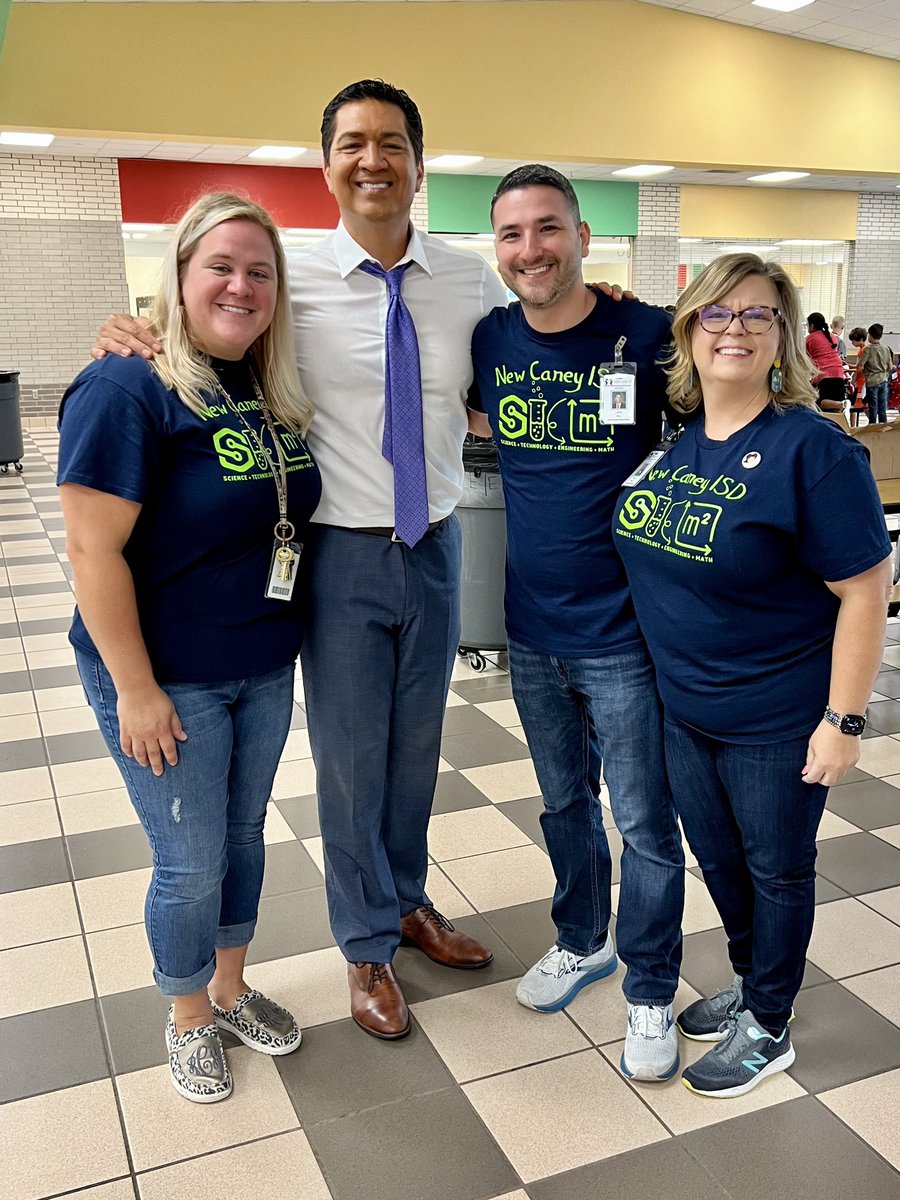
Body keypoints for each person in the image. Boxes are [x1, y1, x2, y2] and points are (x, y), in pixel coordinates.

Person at [92, 80, 506, 1041]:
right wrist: (127, 333)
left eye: (393, 142)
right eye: (353, 142)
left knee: (415, 753)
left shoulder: (468, 277)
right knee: (353, 763)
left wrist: (599, 299)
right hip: (337, 556)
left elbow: (529, 344)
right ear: (326, 163)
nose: (374, 160)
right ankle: (365, 947)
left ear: (417, 159)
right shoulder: (289, 277)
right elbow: (203, 328)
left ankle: (407, 898)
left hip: (436, 545)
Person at [60, 193, 322, 1102]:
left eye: (260, 270)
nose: (241, 286)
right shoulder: (126, 386)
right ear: (177, 276)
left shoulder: (266, 386)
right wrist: (135, 689)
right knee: (191, 860)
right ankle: (186, 1020)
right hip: (167, 676)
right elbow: (92, 551)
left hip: (260, 661)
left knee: (243, 838)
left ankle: (231, 985)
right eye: (221, 265)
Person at [614, 253, 891, 1097]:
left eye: (756, 315)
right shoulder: (681, 446)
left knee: (776, 869)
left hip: (776, 716)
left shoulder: (814, 451)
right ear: (688, 331)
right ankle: (751, 978)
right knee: (723, 864)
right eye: (715, 314)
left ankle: (770, 1022)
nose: (733, 329)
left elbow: (866, 589)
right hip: (686, 712)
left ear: (783, 337)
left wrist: (844, 723)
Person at [468, 165, 685, 1082]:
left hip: (627, 634)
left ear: (584, 235)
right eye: (512, 234)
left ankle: (649, 990)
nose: (530, 250)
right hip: (532, 628)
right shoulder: (490, 339)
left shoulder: (647, 333)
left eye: (547, 228)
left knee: (643, 821)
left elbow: (728, 413)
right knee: (563, 803)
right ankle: (582, 937)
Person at [805, 311, 845, 411]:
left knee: (819, 402)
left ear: (812, 325)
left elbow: (804, 360)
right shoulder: (832, 337)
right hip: (839, 373)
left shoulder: (809, 339)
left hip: (824, 374)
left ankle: (841, 405)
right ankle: (841, 404)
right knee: (834, 407)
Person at [859, 322, 894, 425]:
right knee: (882, 408)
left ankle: (872, 428)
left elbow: (860, 367)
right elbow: (890, 367)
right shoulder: (886, 349)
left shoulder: (868, 350)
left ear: (870, 335)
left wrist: (865, 371)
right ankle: (883, 429)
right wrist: (883, 372)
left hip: (872, 381)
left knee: (873, 408)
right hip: (883, 380)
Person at [848, 326, 869, 427]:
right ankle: (853, 426)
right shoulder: (861, 350)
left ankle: (854, 426)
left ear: (861, 339)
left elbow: (860, 368)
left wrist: (847, 369)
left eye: (853, 340)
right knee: (857, 405)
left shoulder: (864, 350)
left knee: (860, 405)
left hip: (862, 381)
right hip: (859, 380)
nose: (852, 343)